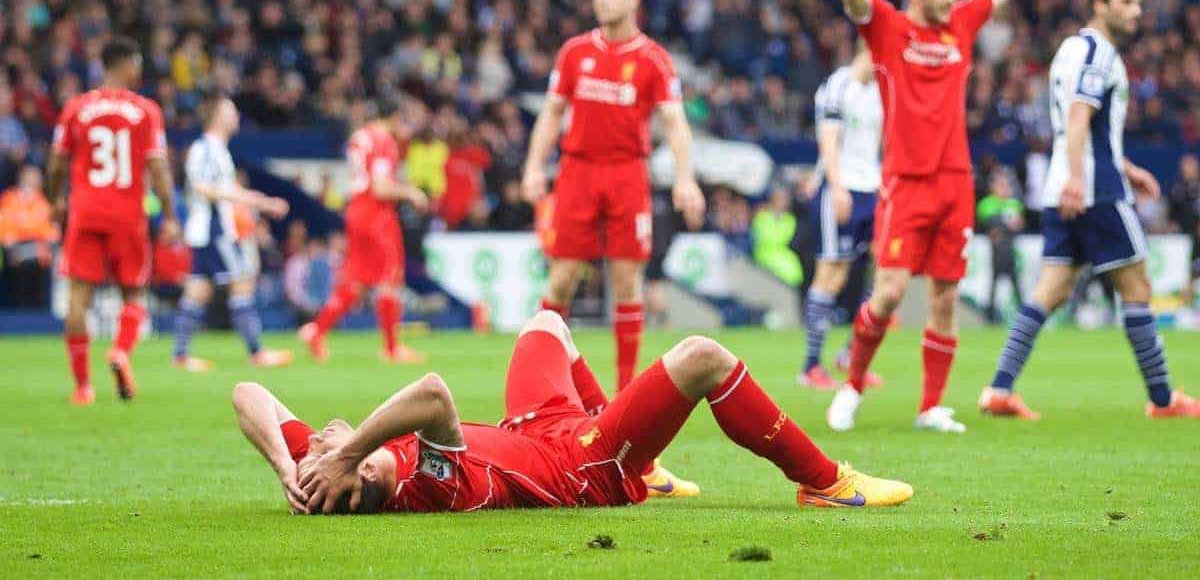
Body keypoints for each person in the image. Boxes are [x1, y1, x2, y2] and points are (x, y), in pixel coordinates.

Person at [234, 310, 914, 515]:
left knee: (547, 323)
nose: (319, 438)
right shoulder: (424, 481)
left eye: (316, 449)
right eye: (329, 454)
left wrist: (283, 465)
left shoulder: (314, 468)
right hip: (581, 467)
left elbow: (249, 394)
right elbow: (434, 394)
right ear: (362, 482)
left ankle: (642, 460)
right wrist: (350, 450)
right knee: (703, 355)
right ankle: (825, 482)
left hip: (534, 430)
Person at [980, 0, 1200, 420]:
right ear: (1099, 4)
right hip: (1093, 190)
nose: (1136, 11)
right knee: (1137, 285)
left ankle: (999, 389)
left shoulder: (1070, 49)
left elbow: (1083, 128)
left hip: (1064, 183)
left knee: (1050, 290)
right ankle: (1162, 401)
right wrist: (1084, 180)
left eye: (1138, 3)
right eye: (1125, 2)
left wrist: (1125, 166)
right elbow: (1080, 119)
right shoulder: (1100, 54)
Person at [827, 0, 1023, 433]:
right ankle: (851, 386)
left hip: (955, 180)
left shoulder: (960, 23)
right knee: (889, 293)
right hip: (904, 182)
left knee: (946, 297)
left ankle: (930, 407)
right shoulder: (889, 28)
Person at [521, 0, 705, 392]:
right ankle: (548, 385)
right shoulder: (574, 53)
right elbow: (551, 115)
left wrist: (685, 178)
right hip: (577, 172)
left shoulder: (653, 60)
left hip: (627, 174)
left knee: (626, 281)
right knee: (562, 277)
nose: (600, 0)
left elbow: (675, 123)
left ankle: (625, 393)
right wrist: (533, 167)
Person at [45, 36, 179, 405]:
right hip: (128, 213)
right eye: (136, 64)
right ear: (126, 64)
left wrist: (55, 198)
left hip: (85, 209)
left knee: (77, 300)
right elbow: (158, 166)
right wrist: (168, 215)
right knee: (134, 293)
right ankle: (120, 351)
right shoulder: (145, 110)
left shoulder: (76, 108)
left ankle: (83, 387)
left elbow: (57, 162)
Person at [299, 97, 429, 363]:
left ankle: (317, 331)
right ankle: (392, 349)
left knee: (355, 282)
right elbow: (380, 187)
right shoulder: (383, 141)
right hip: (377, 215)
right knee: (388, 279)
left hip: (355, 211)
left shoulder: (358, 137)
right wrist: (411, 192)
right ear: (392, 118)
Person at [172, 95, 293, 372]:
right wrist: (262, 202)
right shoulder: (208, 149)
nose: (236, 115)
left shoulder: (214, 149)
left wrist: (258, 200)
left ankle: (180, 355)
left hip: (206, 229)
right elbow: (204, 187)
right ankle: (257, 351)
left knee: (198, 289)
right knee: (242, 281)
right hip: (215, 228)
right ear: (217, 116)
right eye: (231, 110)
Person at [799, 43, 884, 391]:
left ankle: (852, 354)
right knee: (831, 272)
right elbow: (828, 141)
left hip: (872, 187)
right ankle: (810, 366)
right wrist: (835, 187)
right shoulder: (838, 85)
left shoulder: (882, 90)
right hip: (842, 187)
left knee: (883, 271)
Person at [0, 164, 59, 306]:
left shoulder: (44, 202)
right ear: (21, 178)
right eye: (29, 177)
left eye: (36, 177)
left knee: (43, 255)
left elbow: (51, 233)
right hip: (14, 250)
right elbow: (5, 227)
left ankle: (40, 314)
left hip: (38, 251)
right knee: (14, 256)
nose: (32, 181)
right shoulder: (9, 198)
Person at [976, 168, 1026, 324]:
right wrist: (1006, 224)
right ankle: (990, 317)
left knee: (1016, 285)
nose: (1004, 188)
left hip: (1010, 250)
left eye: (1006, 185)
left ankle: (1022, 317)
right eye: (1000, 185)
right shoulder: (987, 203)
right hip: (996, 252)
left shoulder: (1013, 203)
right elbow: (988, 222)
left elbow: (1018, 224)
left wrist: (1001, 227)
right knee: (993, 285)